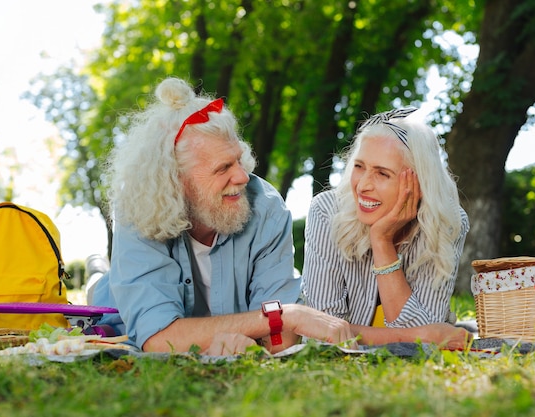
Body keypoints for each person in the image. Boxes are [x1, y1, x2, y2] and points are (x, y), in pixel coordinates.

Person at [90, 77, 354, 355]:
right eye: (222, 168)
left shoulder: (267, 208)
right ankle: (98, 271)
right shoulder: (140, 206)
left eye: (238, 159)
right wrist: (286, 316)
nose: (241, 176)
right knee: (101, 285)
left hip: (219, 321)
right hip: (116, 304)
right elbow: (158, 339)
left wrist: (255, 335)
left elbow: (280, 341)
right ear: (176, 181)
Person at [301, 107, 471, 347]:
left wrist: (382, 242)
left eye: (382, 174)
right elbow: (320, 332)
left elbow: (422, 347)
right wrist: (421, 336)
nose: (362, 186)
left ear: (419, 183)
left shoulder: (447, 221)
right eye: (359, 167)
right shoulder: (327, 211)